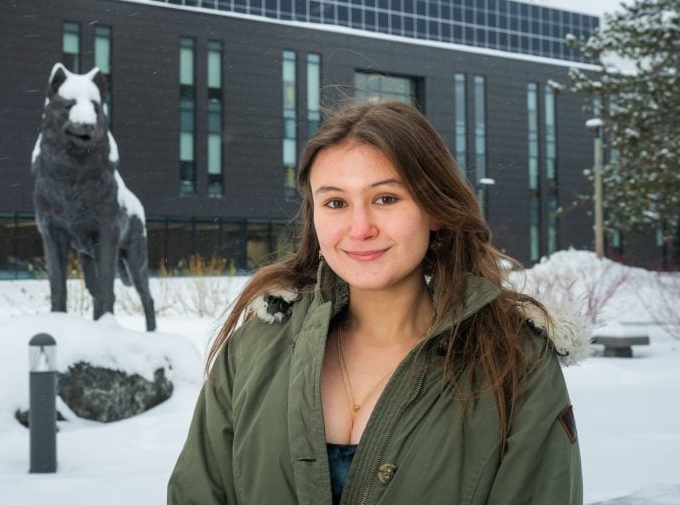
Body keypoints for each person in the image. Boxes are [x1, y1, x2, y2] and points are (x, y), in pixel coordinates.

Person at [168, 100, 588, 504]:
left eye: (385, 198)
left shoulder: (515, 360)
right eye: (335, 203)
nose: (360, 227)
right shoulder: (255, 348)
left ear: (435, 209)